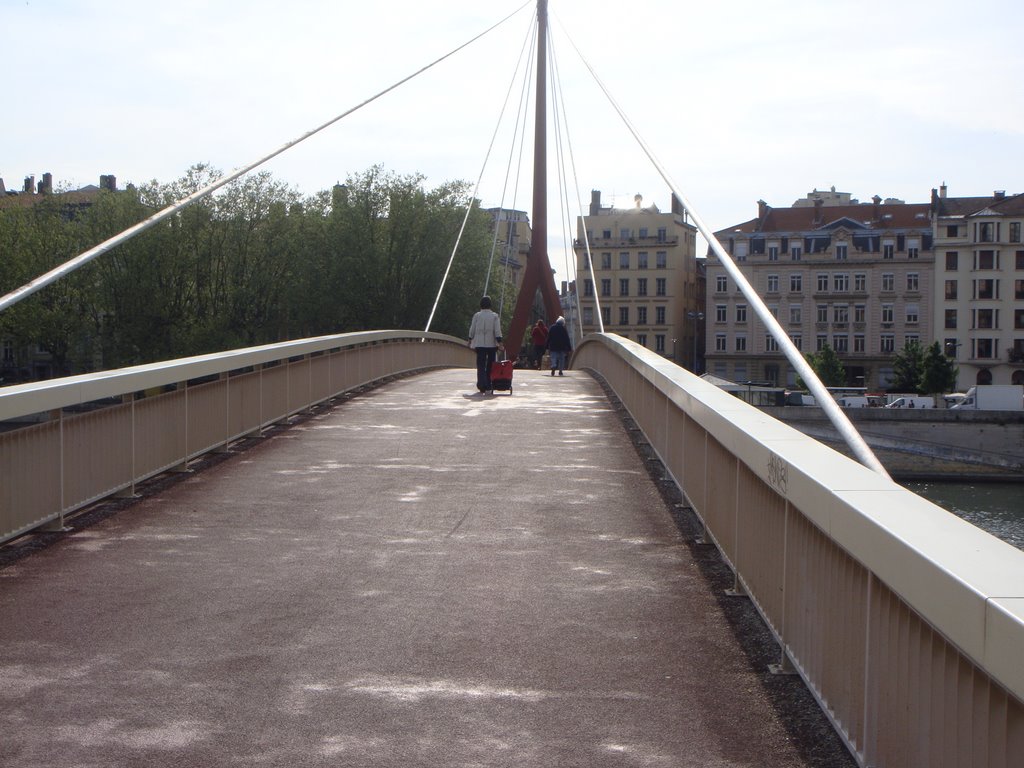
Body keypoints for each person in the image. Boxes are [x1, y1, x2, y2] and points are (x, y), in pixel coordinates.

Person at [468, 296, 503, 393]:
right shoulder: (494, 316)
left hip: (479, 344)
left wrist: (470, 339)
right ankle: (488, 383)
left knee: (480, 364)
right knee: (490, 365)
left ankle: (481, 384)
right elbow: (497, 330)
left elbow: (472, 329)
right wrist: (499, 342)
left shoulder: (477, 316)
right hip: (491, 344)